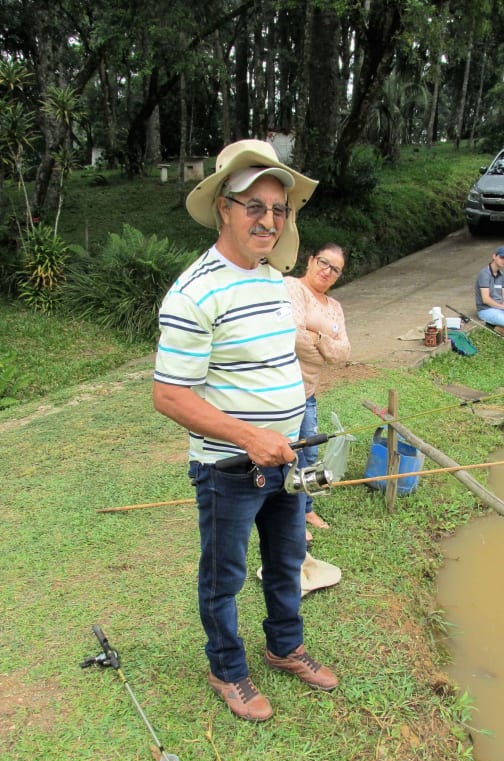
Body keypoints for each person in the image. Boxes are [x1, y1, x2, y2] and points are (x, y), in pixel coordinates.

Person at [153, 139, 339, 723]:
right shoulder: (193, 292)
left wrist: (285, 423)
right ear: (223, 209)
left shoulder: (268, 276)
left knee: (287, 560)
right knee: (225, 576)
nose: (268, 219)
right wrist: (250, 437)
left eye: (278, 208)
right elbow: (169, 394)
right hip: (229, 469)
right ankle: (226, 669)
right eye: (253, 205)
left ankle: (285, 647)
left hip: (285, 458)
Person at [285, 244, 350, 537]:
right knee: (286, 456)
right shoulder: (293, 289)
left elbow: (343, 354)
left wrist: (319, 338)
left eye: (334, 269)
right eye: (324, 263)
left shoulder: (334, 307)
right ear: (311, 261)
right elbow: (292, 335)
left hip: (308, 393)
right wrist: (326, 346)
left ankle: (306, 508)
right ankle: (290, 520)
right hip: (283, 393)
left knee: (309, 454)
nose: (327, 271)